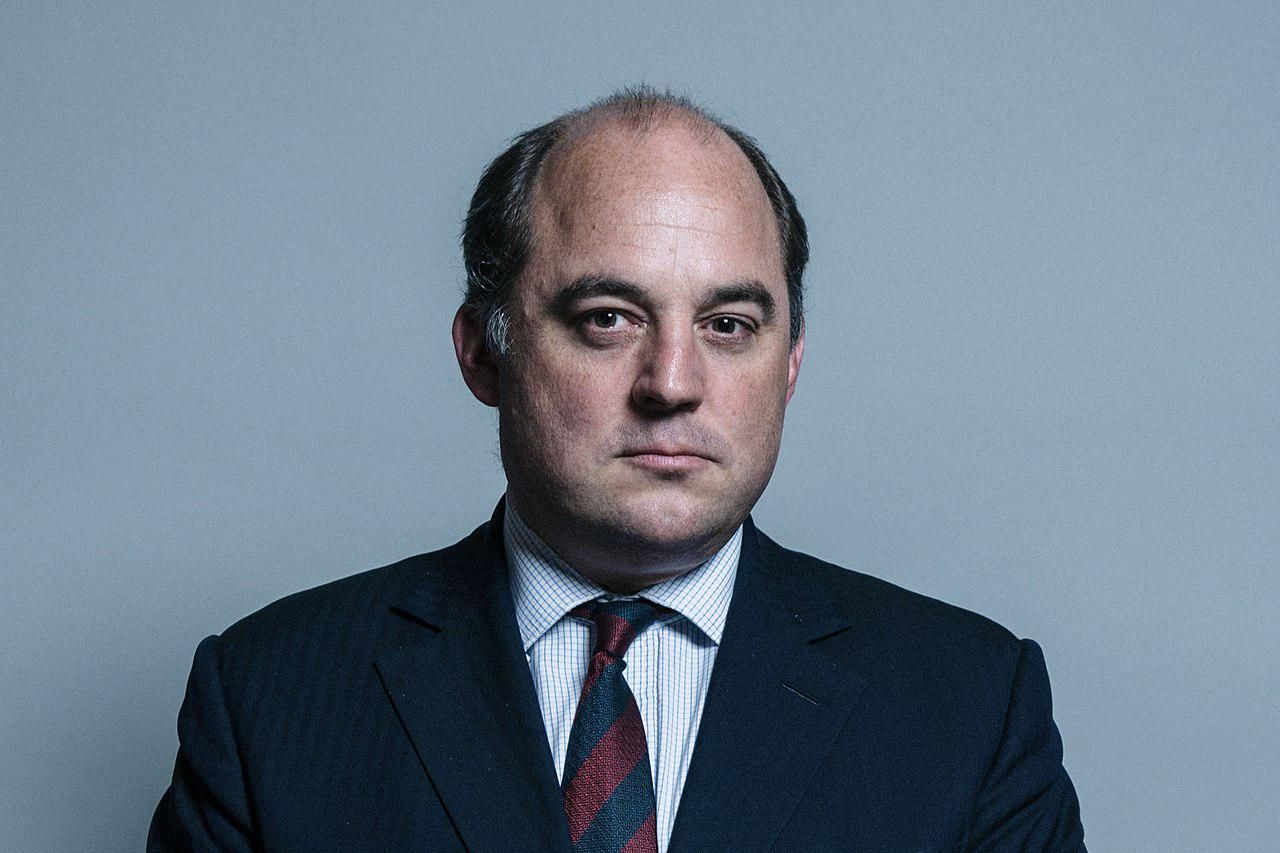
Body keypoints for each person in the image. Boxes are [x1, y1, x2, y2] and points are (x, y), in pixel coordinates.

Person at [149, 88, 1085, 852]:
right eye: (608, 317)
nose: (672, 383)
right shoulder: (270, 699)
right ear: (483, 352)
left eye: (728, 325)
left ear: (791, 365)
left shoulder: (969, 707)